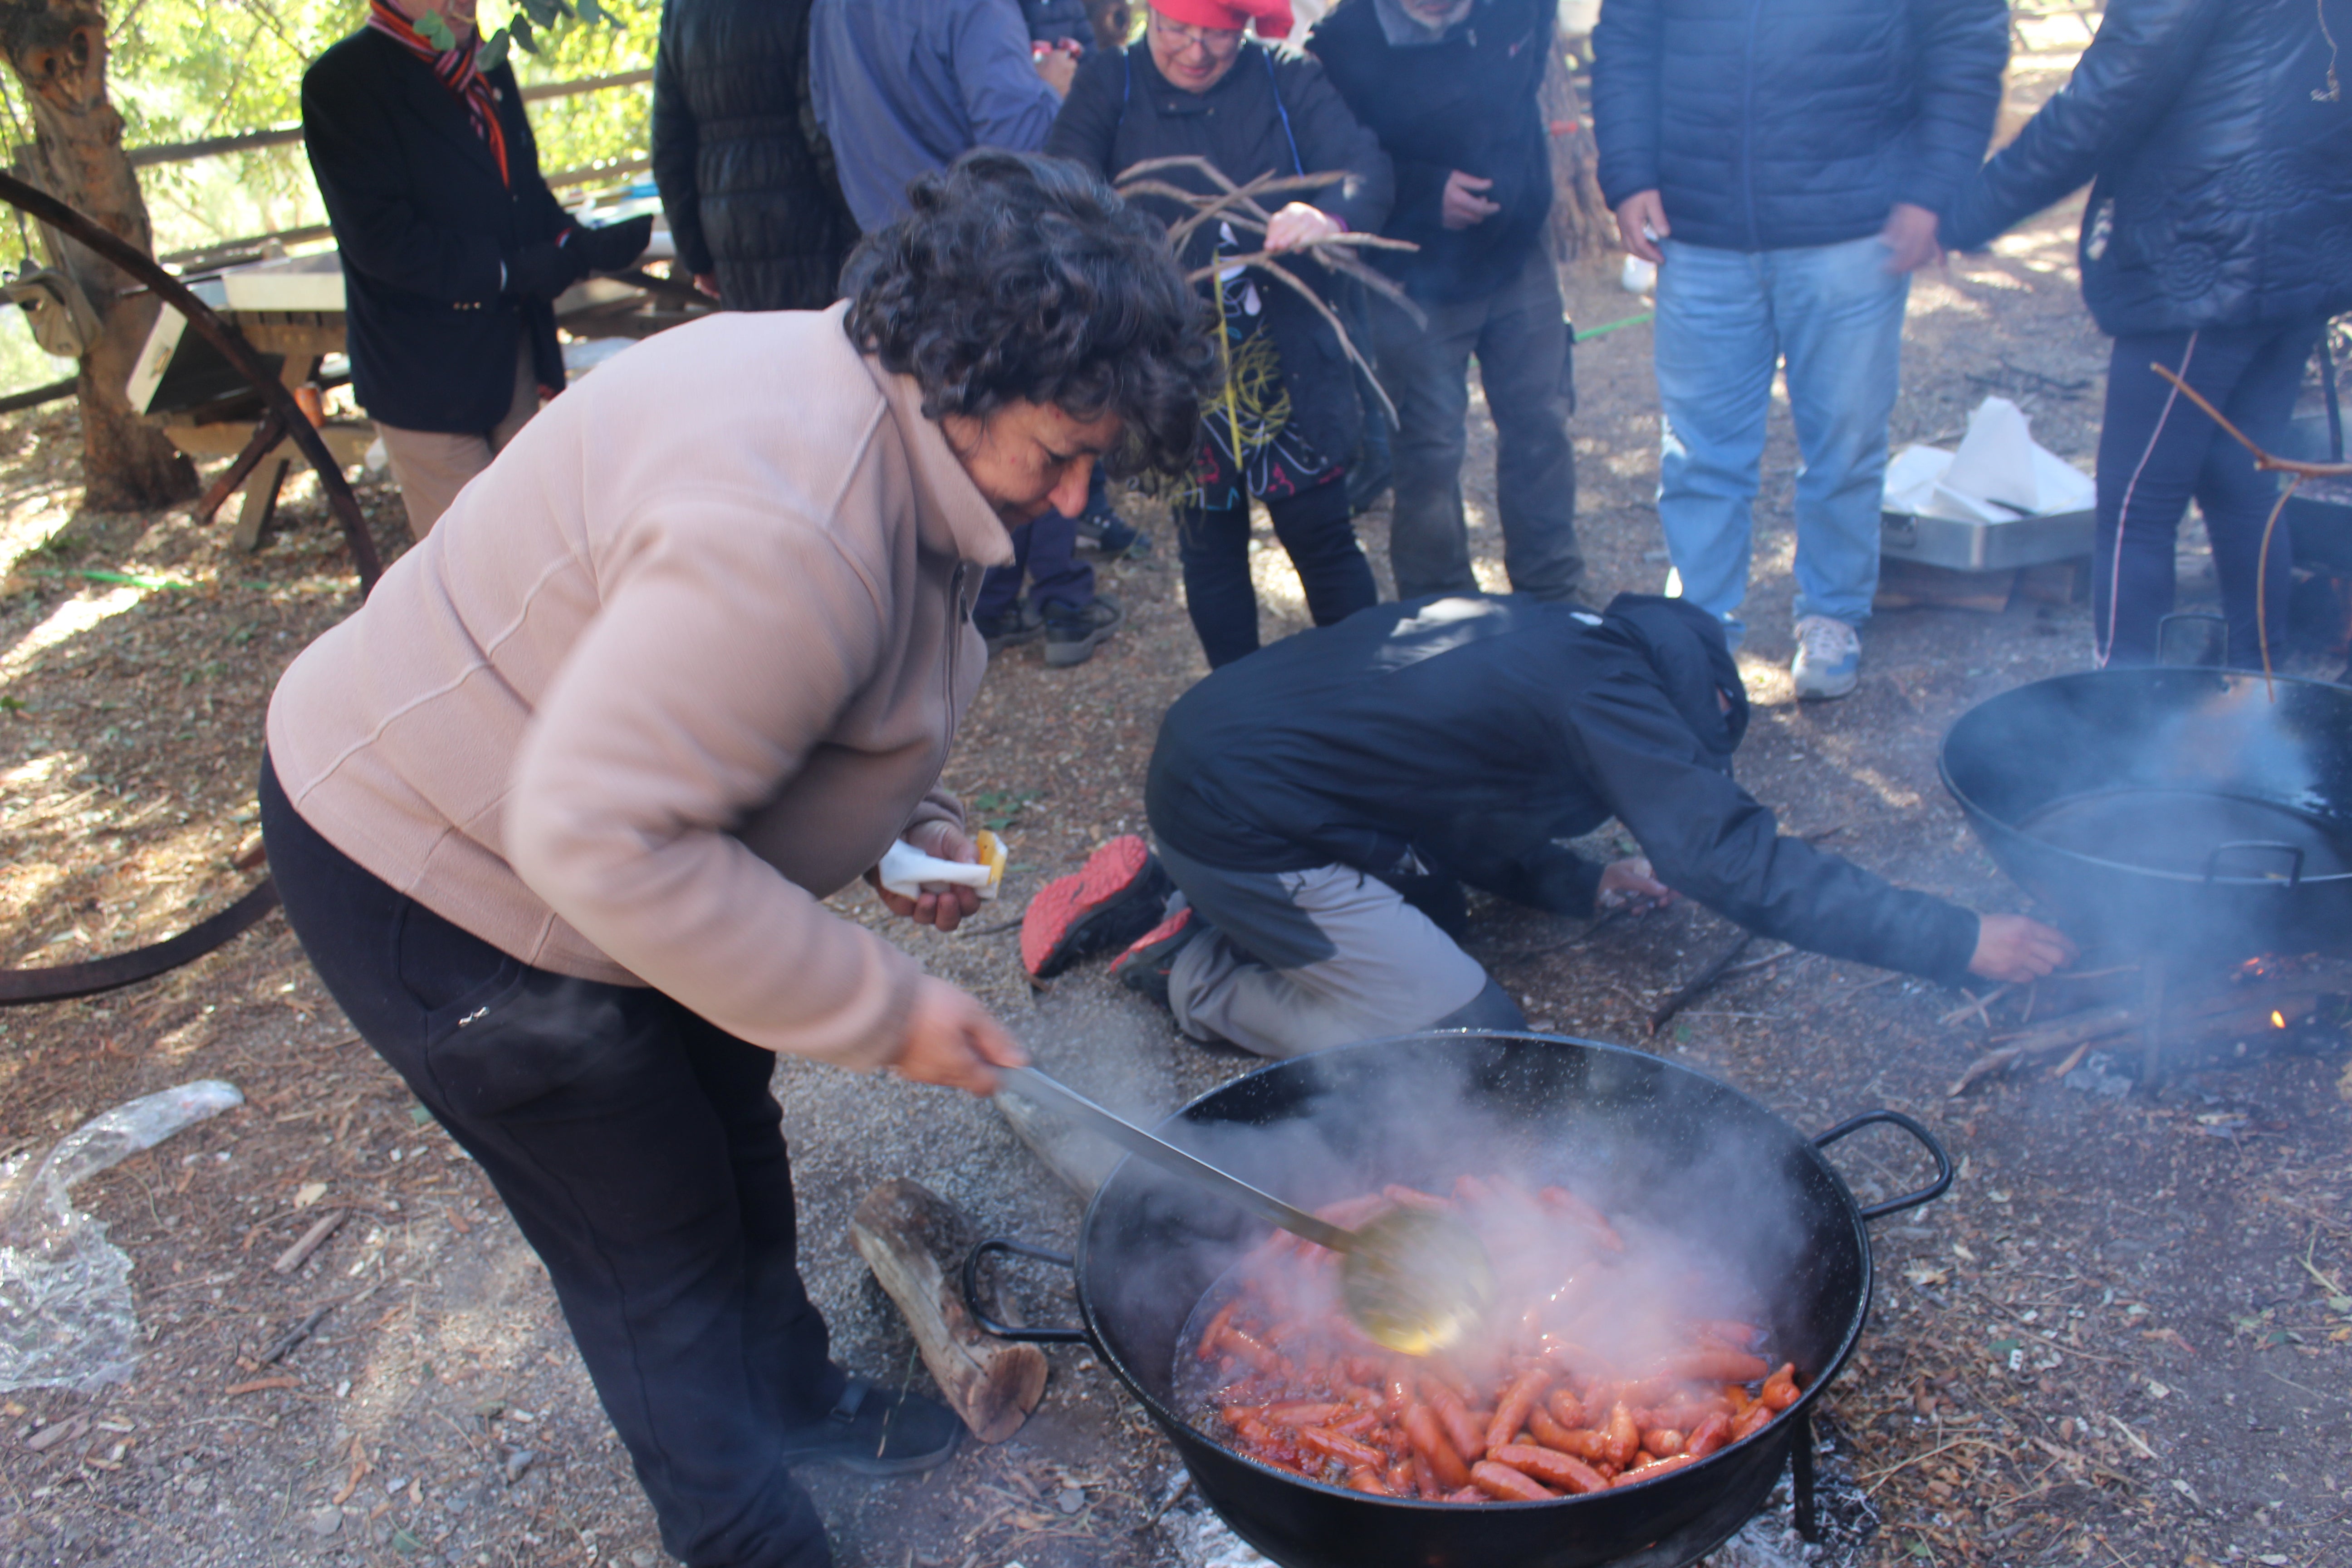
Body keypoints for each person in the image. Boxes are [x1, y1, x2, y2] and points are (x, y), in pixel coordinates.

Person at [259, 152, 1210, 1568]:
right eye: (1059, 452)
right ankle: (752, 1540)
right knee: (655, 1254)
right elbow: (593, 833)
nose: (1077, 502)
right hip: (440, 873)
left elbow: (793, 691)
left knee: (727, 1120)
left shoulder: (906, 428)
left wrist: (901, 817)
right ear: (962, 371)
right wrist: (884, 1008)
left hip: (611, 845)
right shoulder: (793, 515)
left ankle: (798, 1403)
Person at [1027, 594, 2075, 1055]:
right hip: (1245, 819)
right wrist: (1956, 937)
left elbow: (1453, 798)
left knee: (1439, 907)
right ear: (1675, 698)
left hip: (1251, 774)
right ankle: (1189, 965)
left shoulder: (1564, 639)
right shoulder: (1606, 694)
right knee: (1470, 1038)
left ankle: (1204, 892)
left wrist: (1581, 882)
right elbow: (1720, 855)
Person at [1589, 0, 2009, 699]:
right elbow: (1629, 33)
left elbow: (1965, 35)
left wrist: (1933, 189)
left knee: (1844, 445)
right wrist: (1629, 174)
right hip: (1701, 228)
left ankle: (1832, 614)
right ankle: (1700, 636)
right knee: (1698, 455)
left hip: (1852, 224)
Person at [1944, 0, 2352, 671]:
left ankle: (2126, 715)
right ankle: (2260, 697)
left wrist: (1969, 212)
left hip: (2205, 256)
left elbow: (2102, 101)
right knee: (2243, 480)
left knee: (2140, 503)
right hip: (2307, 242)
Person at [1046, 0, 1394, 668]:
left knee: (1321, 533)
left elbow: (1364, 168)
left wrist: (1327, 217)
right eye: (1178, 31)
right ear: (1151, 16)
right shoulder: (1110, 82)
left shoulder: (1285, 78)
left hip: (1282, 351)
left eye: (1219, 37)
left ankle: (1367, 694)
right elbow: (1062, 190)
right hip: (1174, 361)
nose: (1196, 53)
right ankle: (1242, 706)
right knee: (1207, 546)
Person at [813, 0, 1131, 665]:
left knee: (932, 453)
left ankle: (960, 615)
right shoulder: (976, 7)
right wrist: (1058, 90)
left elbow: (823, 113)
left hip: (889, 266)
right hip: (990, 266)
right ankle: (1060, 602)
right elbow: (1021, 138)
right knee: (1040, 430)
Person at [303, 0, 651, 539]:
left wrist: (575, 243)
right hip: (421, 374)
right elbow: (384, 243)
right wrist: (511, 272)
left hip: (507, 352)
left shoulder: (487, 63)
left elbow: (523, 198)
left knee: (545, 540)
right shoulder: (345, 82)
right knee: (474, 559)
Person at [1309, 0, 1587, 607]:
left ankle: (1554, 595)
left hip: (1518, 253)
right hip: (1411, 270)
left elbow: (1527, 85)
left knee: (1541, 422)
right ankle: (1441, 612)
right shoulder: (1344, 42)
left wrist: (1521, 185)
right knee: (1429, 450)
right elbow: (1332, 156)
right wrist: (1422, 192)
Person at [650, 0, 858, 312]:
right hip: (811, 224)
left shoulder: (681, 10)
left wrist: (696, 256)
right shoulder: (803, 8)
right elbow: (823, 132)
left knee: (758, 351)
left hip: (728, 232)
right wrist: (859, 227)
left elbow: (669, 150)